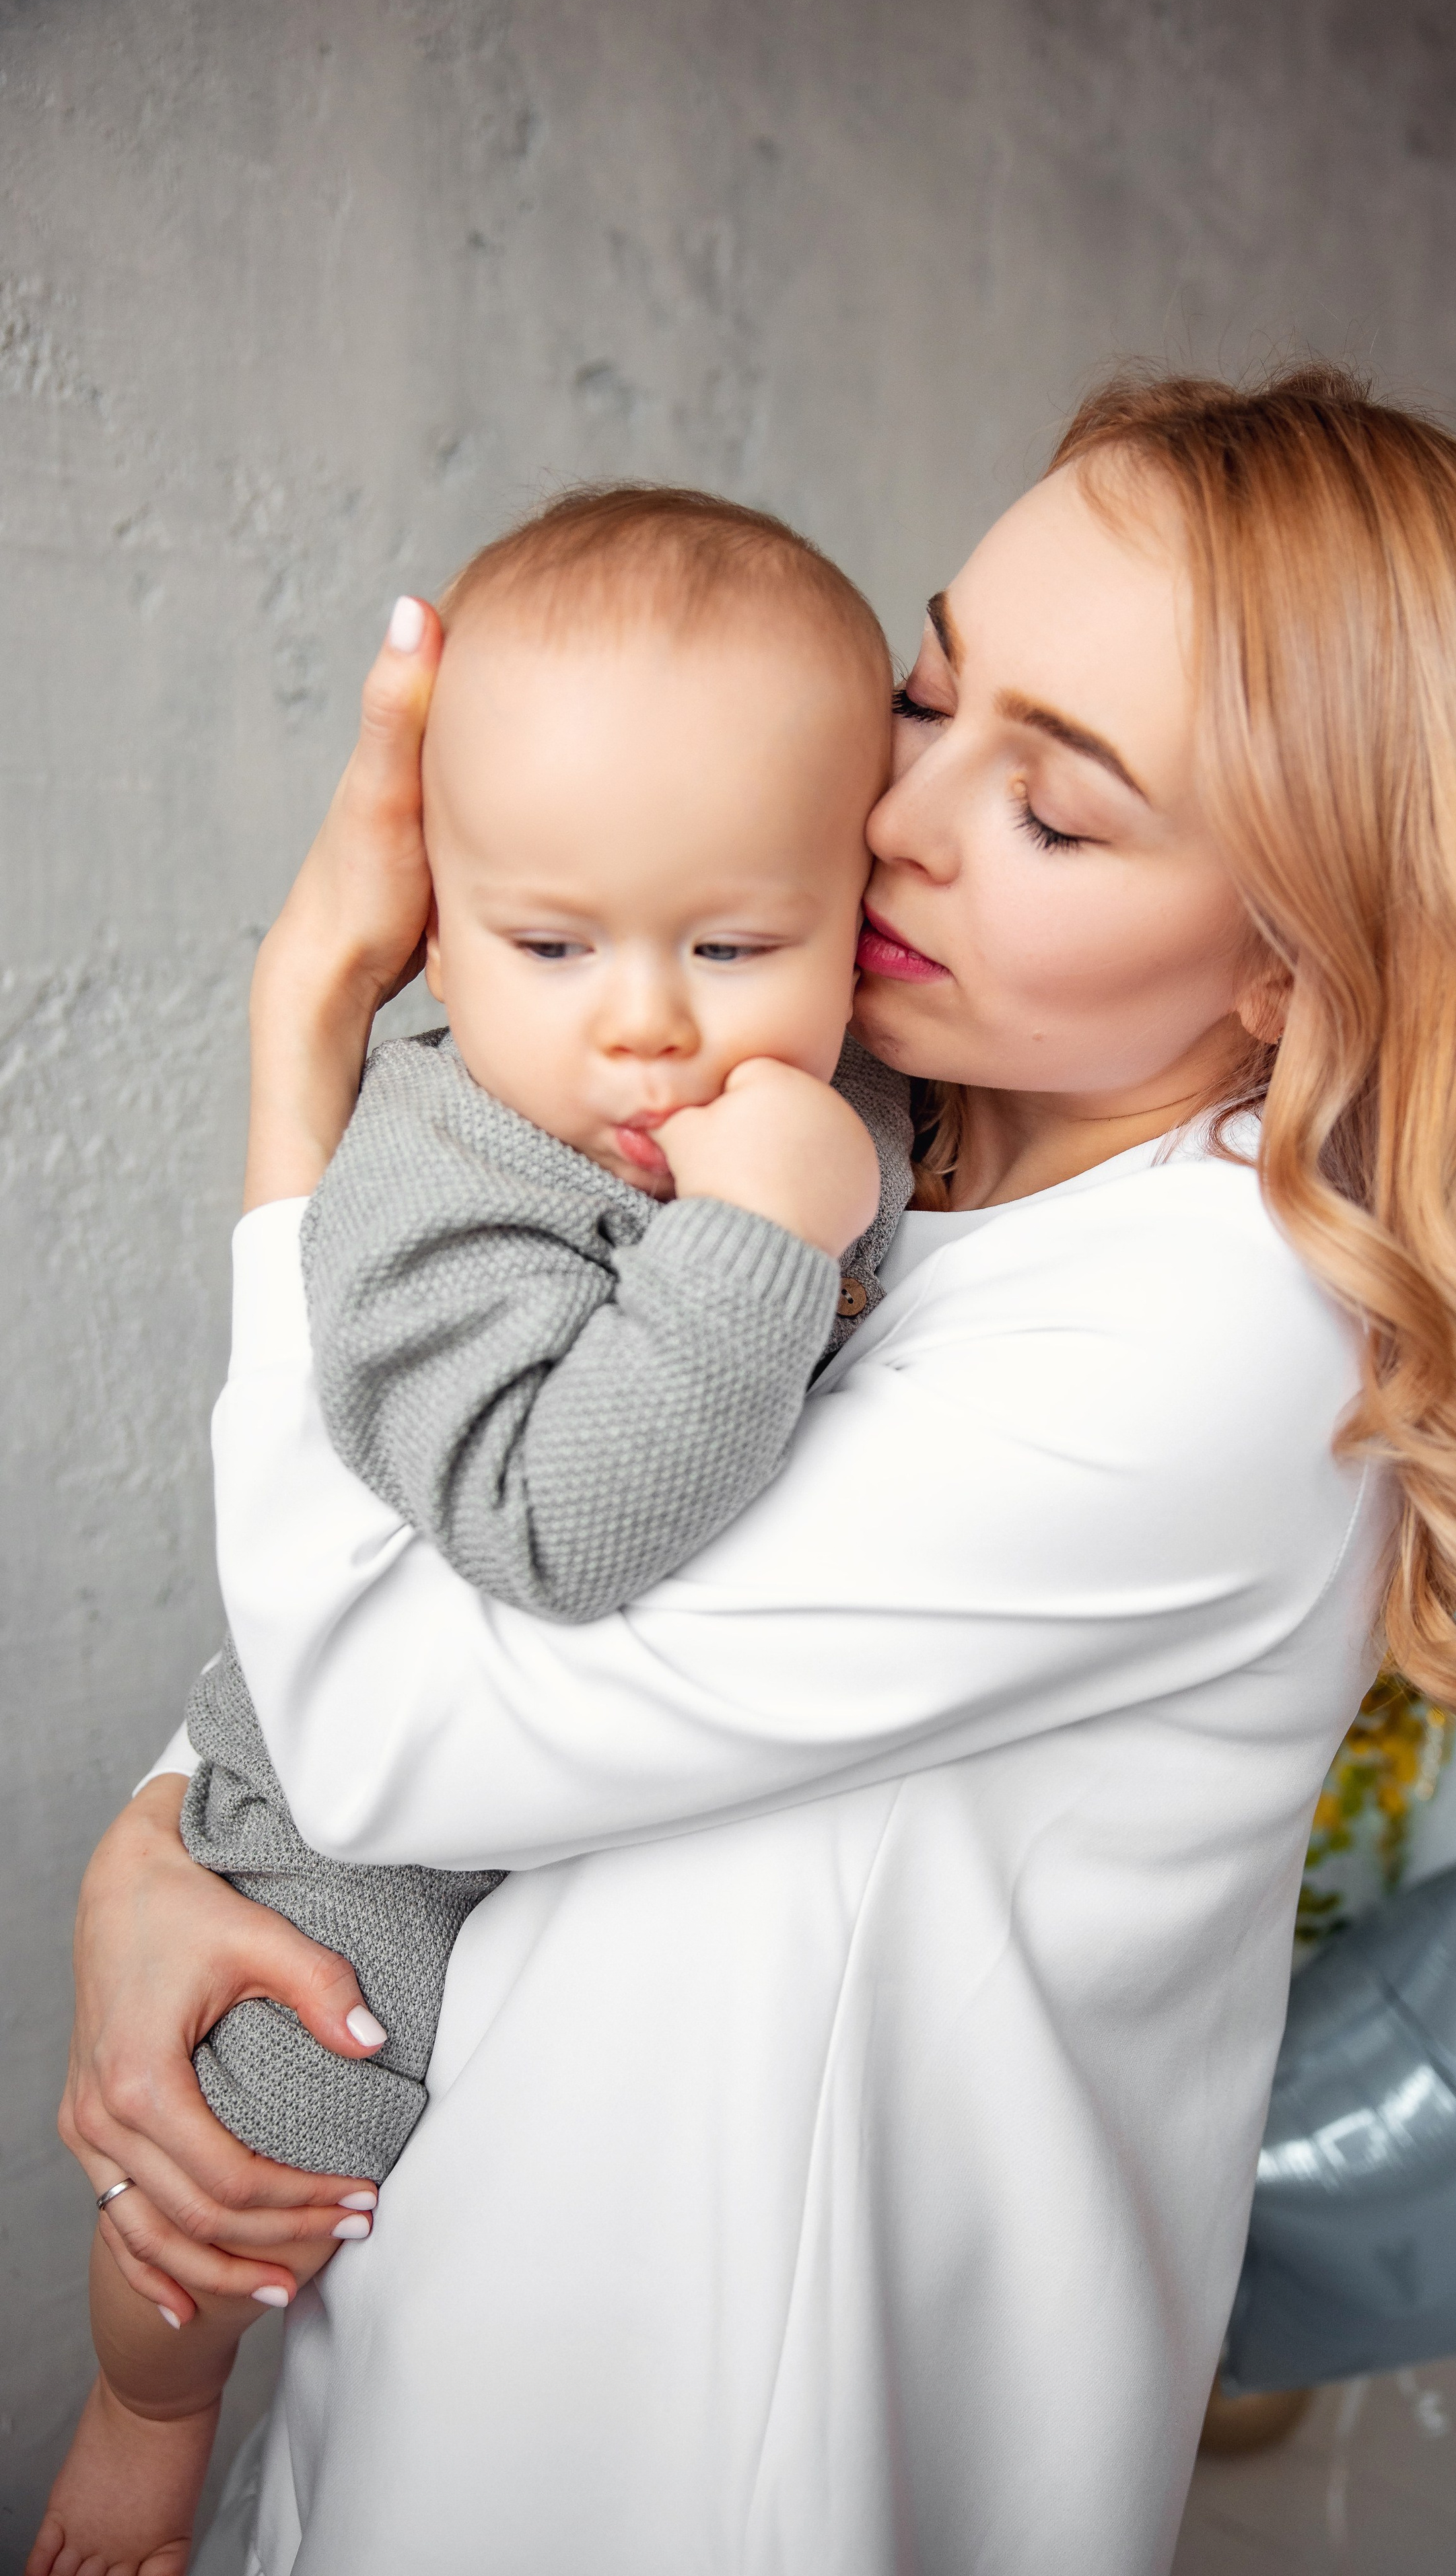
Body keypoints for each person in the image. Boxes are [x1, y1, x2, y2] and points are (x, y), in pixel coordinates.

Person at [46, 366, 1456, 2576]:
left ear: (1299, 963)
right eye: (929, 691)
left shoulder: (1216, 1337)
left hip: (734, 2458)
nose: (897, 818)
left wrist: (299, 1049)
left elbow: (405, 1720)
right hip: (469, 2302)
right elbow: (472, 1486)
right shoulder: (876, 1116)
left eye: (1059, 811)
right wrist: (164, 1835)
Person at [32, 483, 919, 2576]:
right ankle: (141, 2425)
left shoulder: (845, 1096)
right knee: (267, 2139)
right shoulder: (441, 1175)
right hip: (364, 1839)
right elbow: (545, 1523)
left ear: (850, 913)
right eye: (548, 943)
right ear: (433, 924)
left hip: (621, 1864)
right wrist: (760, 1236)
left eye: (737, 943)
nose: (649, 1021)